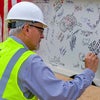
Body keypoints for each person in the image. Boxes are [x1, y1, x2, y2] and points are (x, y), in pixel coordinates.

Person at [0, 1, 99, 100]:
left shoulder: (2, 48)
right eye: (40, 30)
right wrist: (88, 72)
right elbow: (61, 95)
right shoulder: (29, 61)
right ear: (27, 29)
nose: (42, 36)